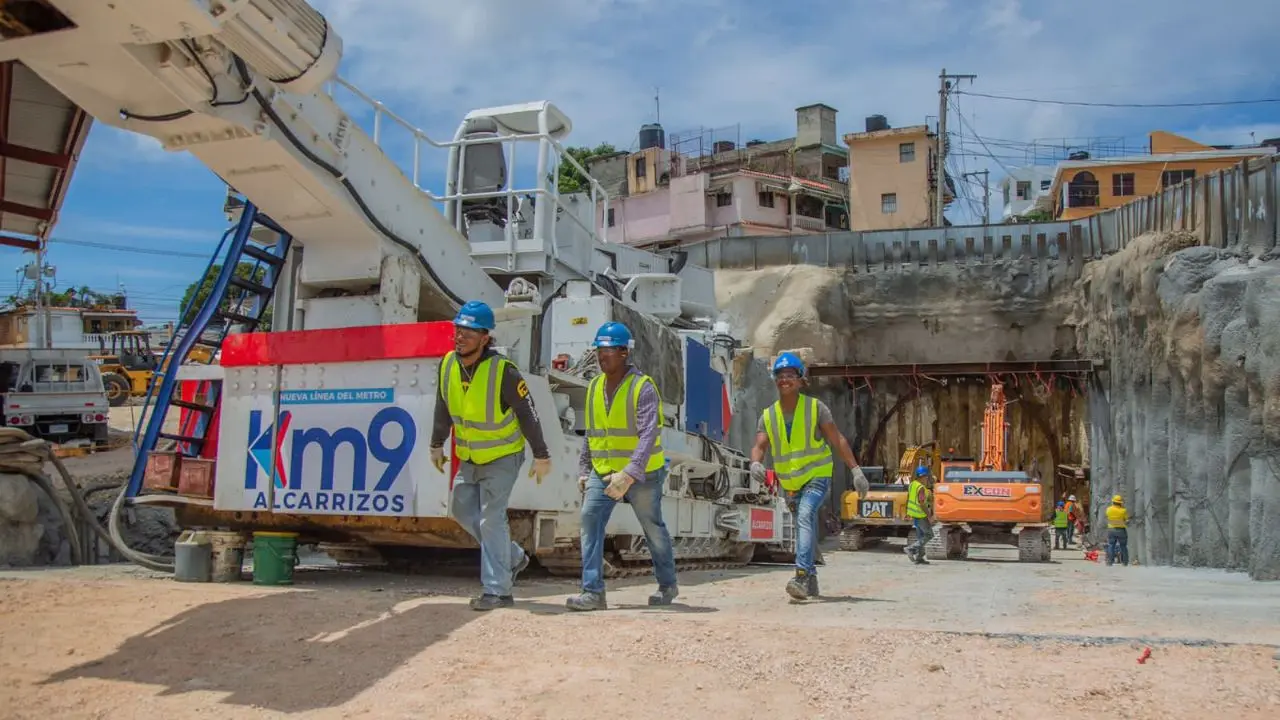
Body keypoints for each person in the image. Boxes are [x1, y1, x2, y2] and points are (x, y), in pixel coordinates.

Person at [430, 300, 553, 611]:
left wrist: (541, 455)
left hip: (503, 457)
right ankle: (511, 557)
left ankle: (497, 591)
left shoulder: (504, 372)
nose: (460, 337)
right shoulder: (447, 364)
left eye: (468, 333)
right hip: (469, 457)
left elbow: (528, 414)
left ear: (485, 338)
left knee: (490, 519)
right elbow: (443, 407)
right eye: (458, 330)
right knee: (461, 510)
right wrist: (436, 443)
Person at [565, 322, 678, 611]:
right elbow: (592, 434)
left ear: (624, 352)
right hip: (602, 473)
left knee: (652, 528)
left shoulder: (643, 387)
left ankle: (667, 585)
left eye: (609, 351)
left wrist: (629, 474)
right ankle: (593, 592)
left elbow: (647, 434)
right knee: (590, 521)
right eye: (599, 350)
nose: (602, 357)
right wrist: (583, 469)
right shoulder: (593, 388)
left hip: (642, 474)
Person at [750, 352, 869, 600]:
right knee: (803, 525)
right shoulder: (768, 415)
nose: (785, 380)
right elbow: (760, 445)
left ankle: (802, 576)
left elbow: (836, 439)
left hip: (817, 475)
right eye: (780, 376)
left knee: (805, 517)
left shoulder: (816, 408)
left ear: (801, 379)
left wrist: (855, 470)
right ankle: (812, 580)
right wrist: (755, 463)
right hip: (791, 482)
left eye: (790, 376)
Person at [903, 464, 934, 565]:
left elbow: (908, 499)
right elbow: (921, 502)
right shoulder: (921, 487)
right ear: (923, 476)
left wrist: (907, 513)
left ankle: (919, 558)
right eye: (926, 477)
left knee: (921, 536)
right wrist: (929, 516)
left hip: (914, 515)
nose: (927, 479)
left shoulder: (912, 484)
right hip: (921, 515)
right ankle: (910, 549)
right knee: (929, 535)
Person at [1105, 494, 1129, 566]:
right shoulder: (1124, 510)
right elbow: (1127, 520)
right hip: (1121, 530)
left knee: (1111, 545)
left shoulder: (1108, 509)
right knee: (1123, 546)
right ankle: (1125, 562)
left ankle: (1110, 562)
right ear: (1120, 503)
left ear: (1113, 502)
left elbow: (1107, 516)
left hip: (1111, 529)